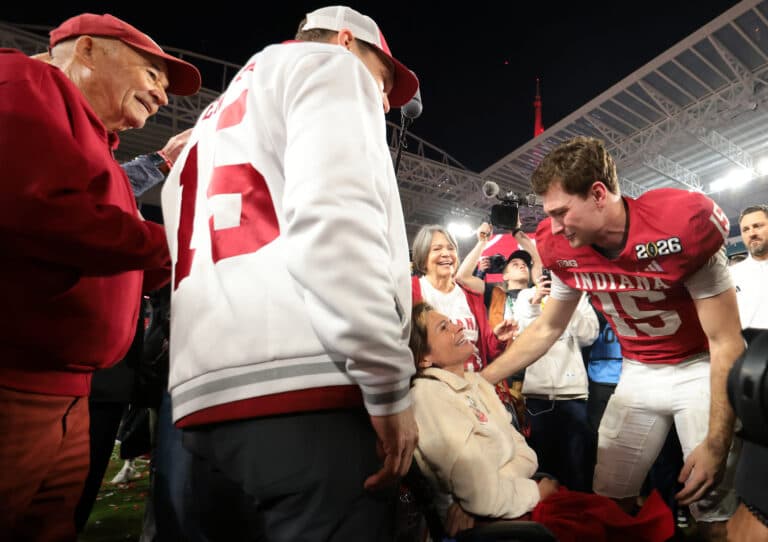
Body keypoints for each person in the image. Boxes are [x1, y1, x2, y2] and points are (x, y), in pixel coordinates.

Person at [160, 6, 418, 541]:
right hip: (306, 394)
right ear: (345, 41)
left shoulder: (207, 124)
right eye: (382, 79)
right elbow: (335, 227)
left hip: (201, 410)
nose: (383, 102)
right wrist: (388, 384)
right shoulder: (332, 66)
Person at [481, 136, 744, 541]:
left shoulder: (680, 225)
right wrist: (481, 380)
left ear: (599, 194)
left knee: (712, 513)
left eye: (562, 212)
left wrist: (716, 440)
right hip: (636, 372)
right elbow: (548, 327)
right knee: (609, 501)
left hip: (698, 367)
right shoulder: (564, 247)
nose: (554, 227)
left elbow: (726, 340)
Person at [0, 13, 200, 541]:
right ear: (87, 50)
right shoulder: (23, 80)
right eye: (151, 73)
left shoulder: (95, 140)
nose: (162, 95)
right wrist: (185, 247)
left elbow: (117, 251)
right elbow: (38, 212)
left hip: (67, 393)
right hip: (15, 388)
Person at [408, 302, 674, 542]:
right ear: (424, 358)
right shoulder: (429, 395)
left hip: (516, 502)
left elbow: (527, 458)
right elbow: (482, 496)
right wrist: (536, 493)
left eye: (451, 321)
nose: (457, 326)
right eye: (444, 327)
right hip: (503, 522)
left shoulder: (476, 385)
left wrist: (499, 486)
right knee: (613, 524)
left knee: (617, 516)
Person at [410, 224, 519, 424]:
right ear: (423, 256)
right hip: (436, 397)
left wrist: (497, 338)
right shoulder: (411, 292)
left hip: (476, 391)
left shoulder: (470, 295)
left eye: (450, 248)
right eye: (437, 249)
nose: (446, 254)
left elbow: (486, 351)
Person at [512, 274, 598, 492]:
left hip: (573, 394)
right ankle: (545, 511)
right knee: (542, 467)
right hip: (537, 396)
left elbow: (589, 336)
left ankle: (578, 510)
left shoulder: (579, 297)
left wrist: (568, 304)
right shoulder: (526, 296)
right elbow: (519, 339)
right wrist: (534, 305)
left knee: (577, 467)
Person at [726, 204, 768, 541]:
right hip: (742, 367)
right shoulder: (733, 275)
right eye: (747, 229)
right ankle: (736, 511)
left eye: (759, 226)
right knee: (735, 447)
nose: (753, 233)